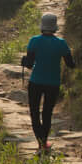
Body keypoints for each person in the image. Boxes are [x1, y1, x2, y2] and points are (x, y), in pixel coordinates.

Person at [21, 10, 75, 154]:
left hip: (36, 82)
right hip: (53, 83)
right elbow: (70, 64)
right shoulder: (61, 43)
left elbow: (29, 65)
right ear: (55, 27)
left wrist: (24, 61)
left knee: (34, 112)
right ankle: (44, 142)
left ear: (42, 26)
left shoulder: (34, 41)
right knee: (47, 113)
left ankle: (40, 142)